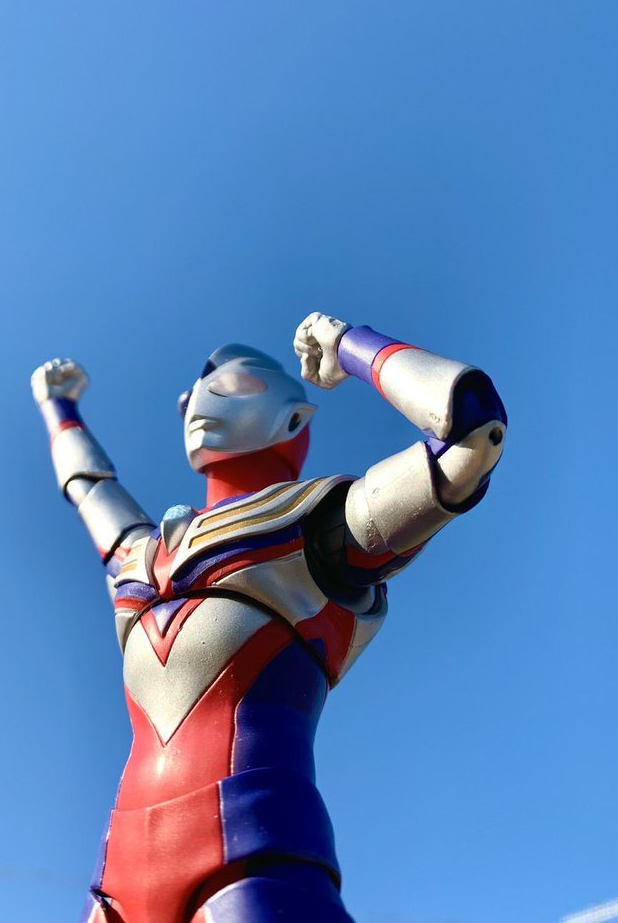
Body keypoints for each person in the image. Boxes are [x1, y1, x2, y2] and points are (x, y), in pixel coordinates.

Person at [31, 312, 507, 923]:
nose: (199, 402)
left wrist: (349, 345)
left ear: (294, 418)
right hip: (117, 881)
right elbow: (90, 488)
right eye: (191, 397)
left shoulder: (314, 525)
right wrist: (58, 408)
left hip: (252, 851)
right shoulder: (144, 555)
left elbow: (470, 433)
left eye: (232, 386)